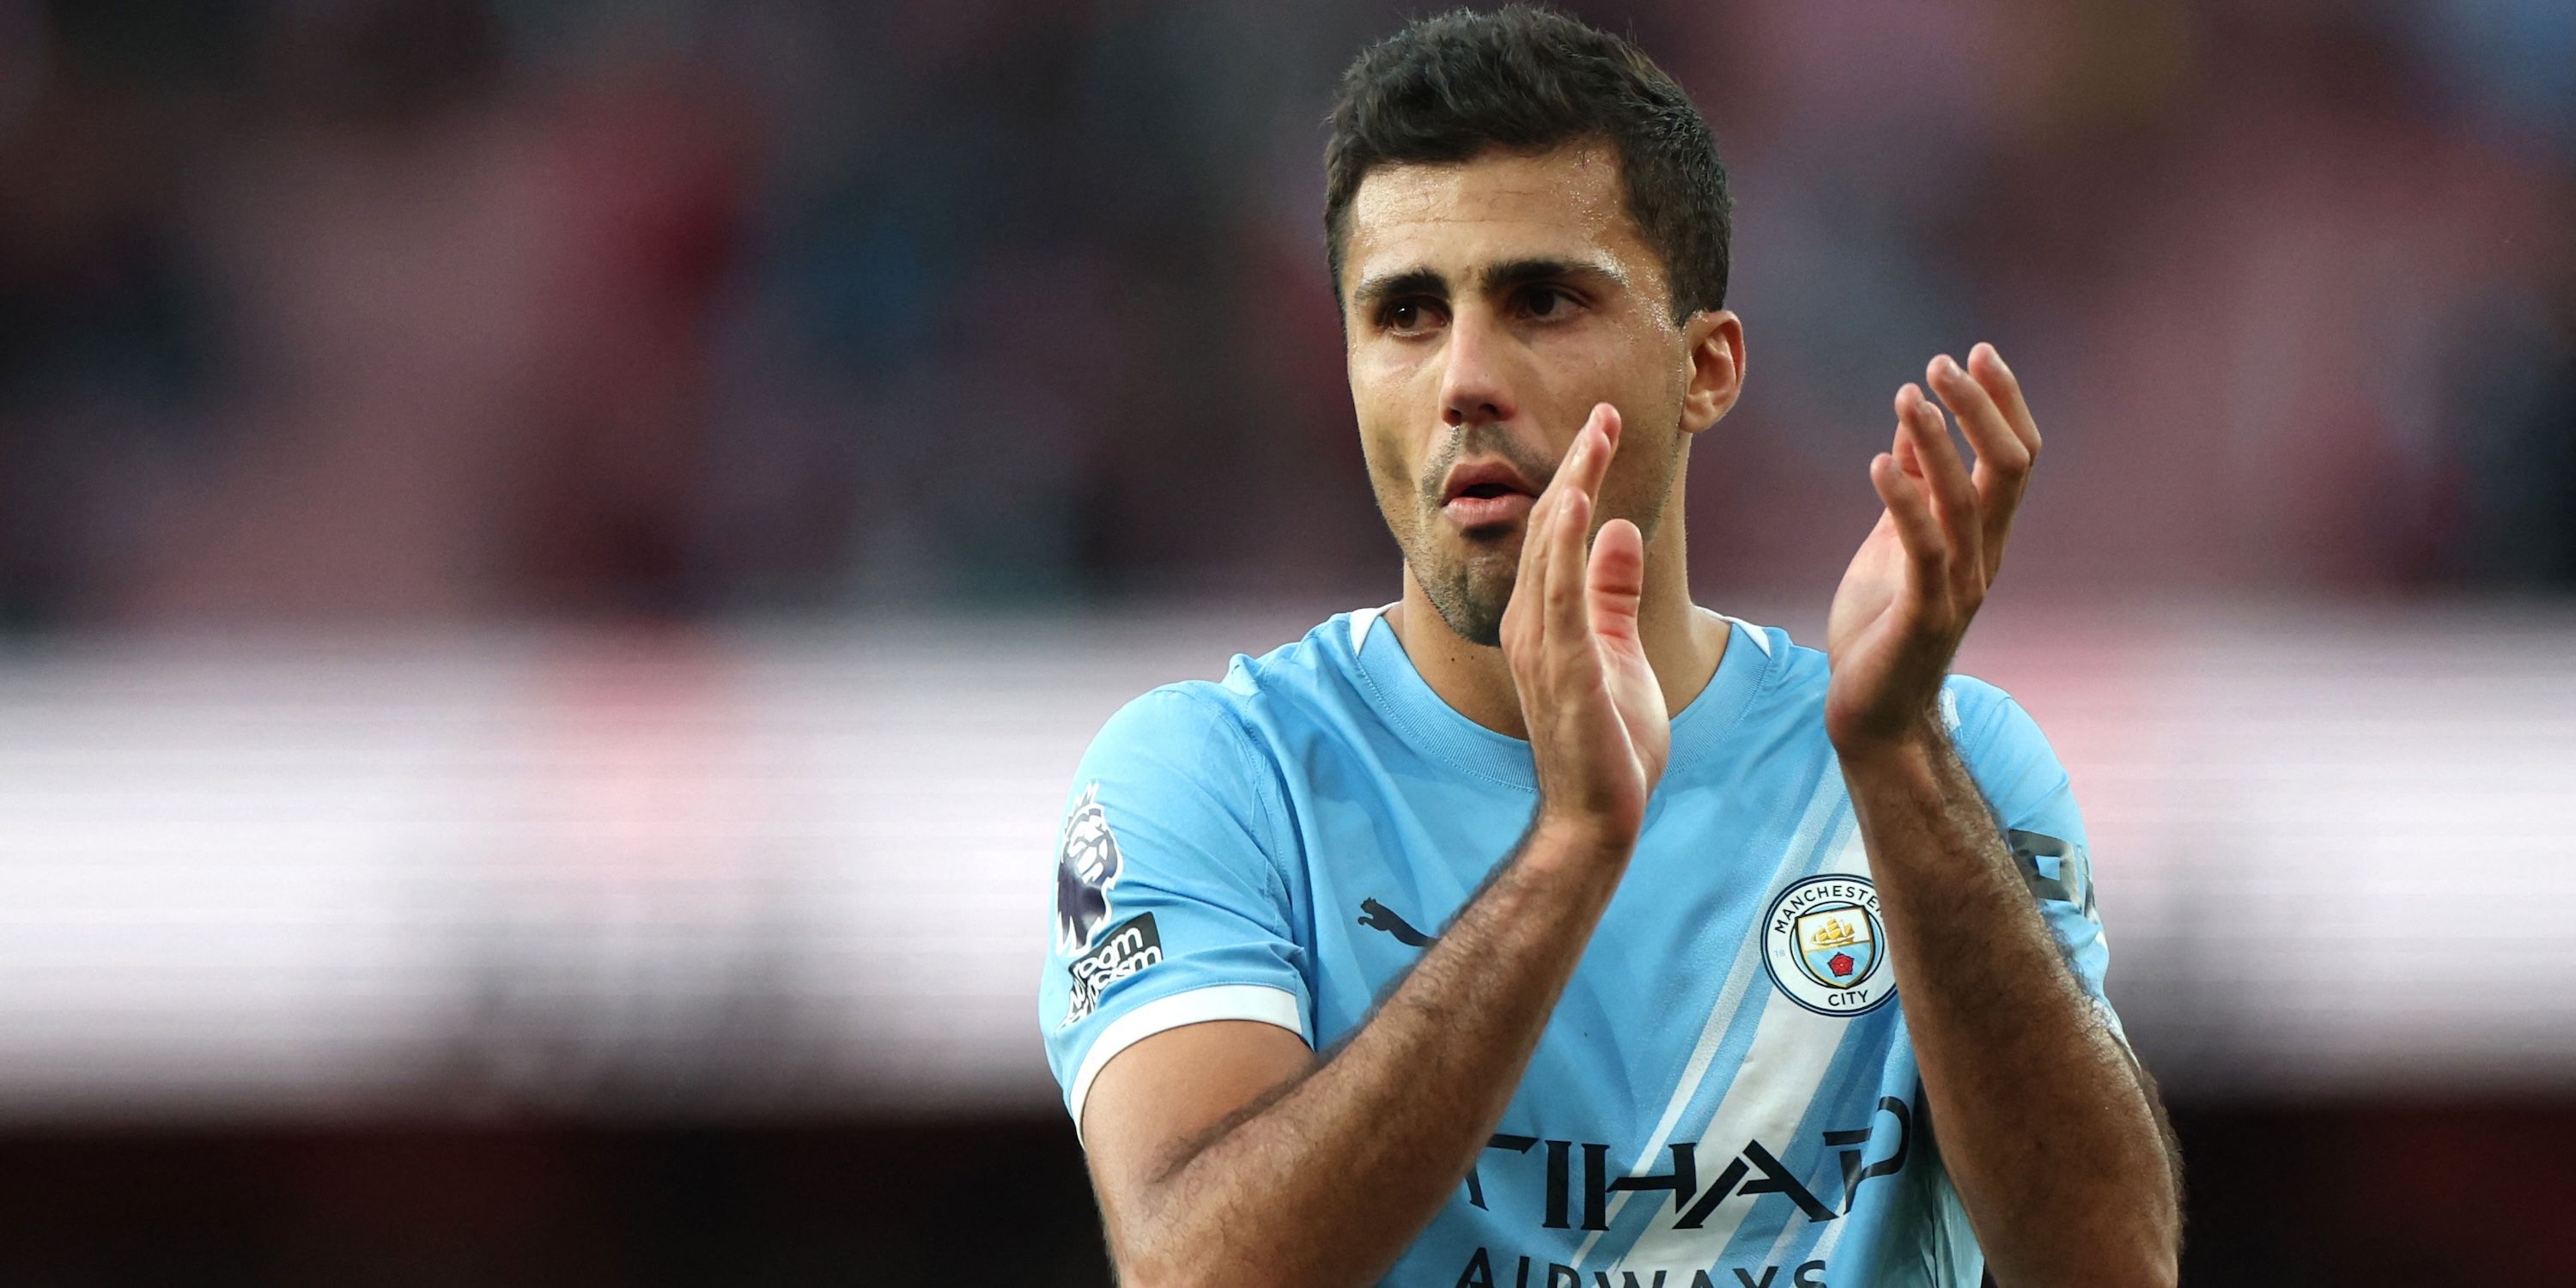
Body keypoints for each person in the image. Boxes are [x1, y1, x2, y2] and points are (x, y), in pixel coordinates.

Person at [1037, 9, 2180, 1286]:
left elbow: (2112, 1265)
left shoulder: (1947, 762)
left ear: (1706, 368)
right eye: (1406, 313)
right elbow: (1193, 1272)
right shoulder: (1217, 781)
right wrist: (1572, 848)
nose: (1464, 374)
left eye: (1541, 299)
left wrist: (1898, 758)